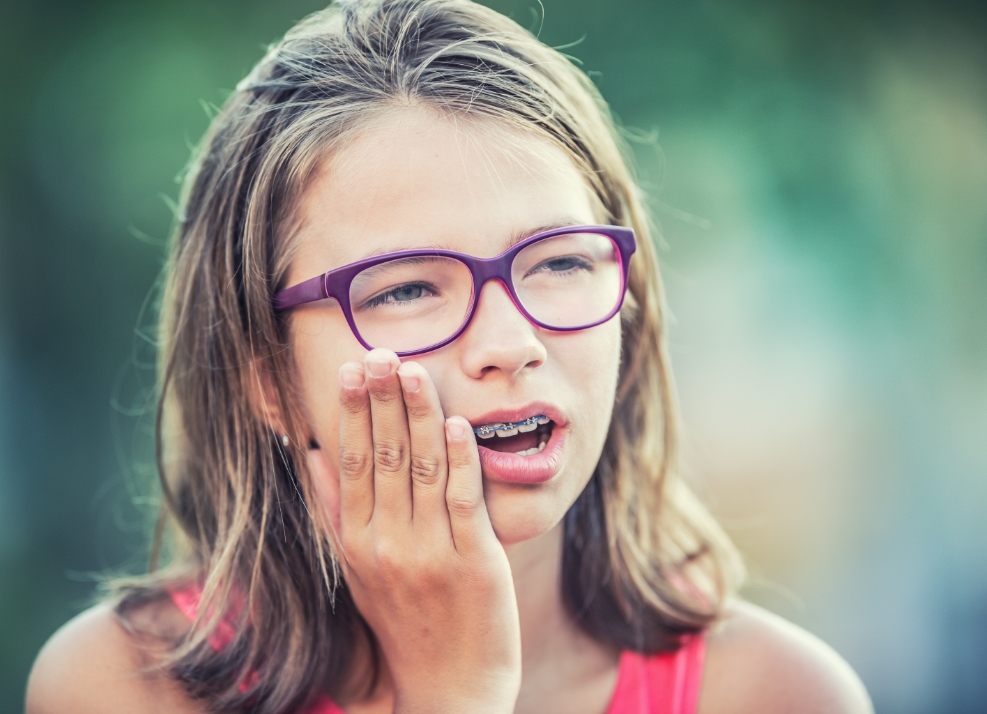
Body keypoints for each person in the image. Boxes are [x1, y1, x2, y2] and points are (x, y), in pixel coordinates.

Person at [26, 1, 873, 712]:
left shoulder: (778, 692)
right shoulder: (124, 685)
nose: (510, 344)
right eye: (404, 290)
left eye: (559, 263)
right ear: (270, 381)